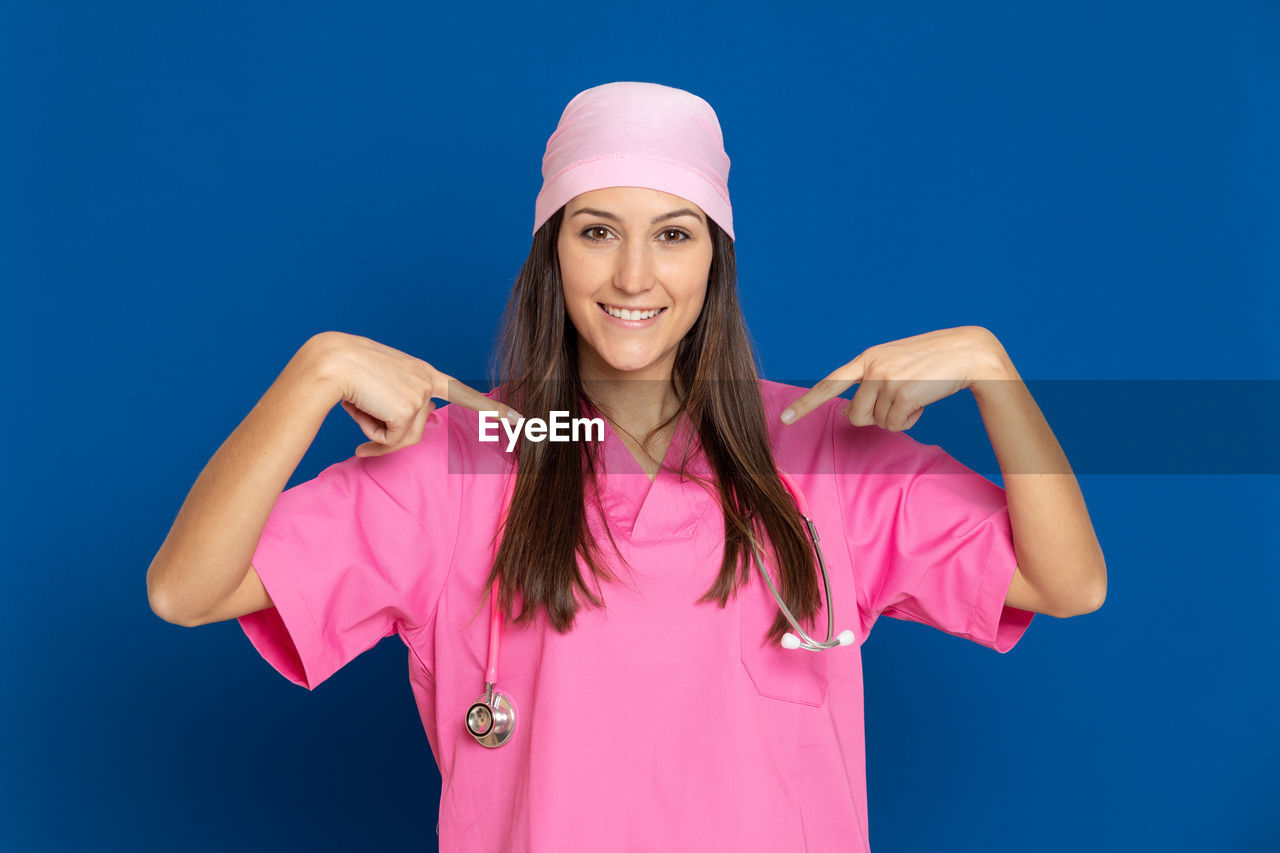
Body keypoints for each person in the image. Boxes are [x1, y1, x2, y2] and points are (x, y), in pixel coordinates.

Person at [147, 81, 1107, 851]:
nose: (634, 276)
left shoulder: (821, 450)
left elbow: (1067, 582)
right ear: (553, 251)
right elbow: (186, 591)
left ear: (715, 262)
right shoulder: (465, 462)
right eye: (597, 229)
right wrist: (311, 375)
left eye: (674, 234)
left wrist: (993, 371)